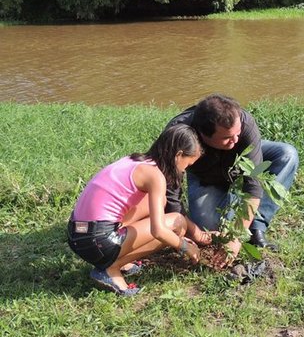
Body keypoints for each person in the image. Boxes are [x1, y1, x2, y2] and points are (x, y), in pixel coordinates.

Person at [67, 124, 203, 296]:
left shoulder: (134, 161)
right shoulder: (155, 176)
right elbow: (158, 230)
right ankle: (111, 269)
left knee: (158, 203)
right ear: (178, 155)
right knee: (177, 223)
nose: (185, 171)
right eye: (187, 164)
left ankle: (120, 261)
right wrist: (184, 246)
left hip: (77, 235)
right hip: (98, 241)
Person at [165, 94, 298, 264]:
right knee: (209, 228)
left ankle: (256, 226)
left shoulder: (244, 123)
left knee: (287, 154)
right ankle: (229, 203)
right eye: (227, 138)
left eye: (237, 133)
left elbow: (253, 185)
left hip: (238, 167)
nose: (235, 141)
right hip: (206, 178)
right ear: (203, 136)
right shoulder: (179, 134)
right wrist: (187, 232)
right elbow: (170, 191)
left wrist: (236, 236)